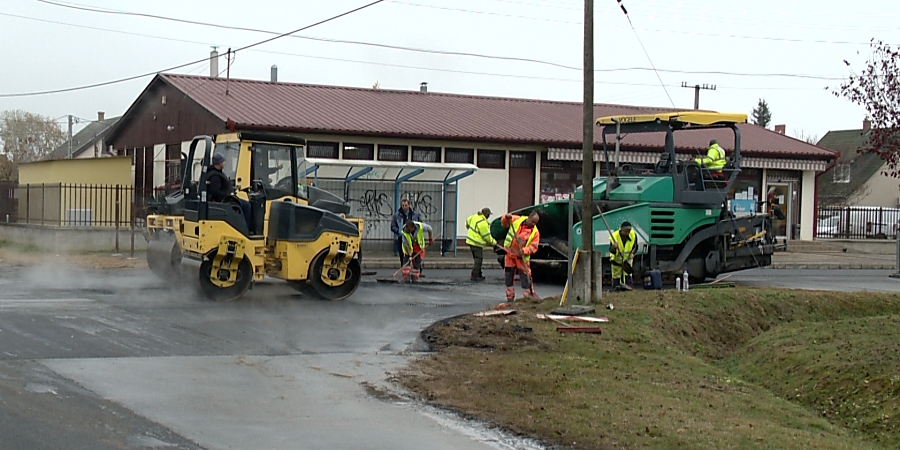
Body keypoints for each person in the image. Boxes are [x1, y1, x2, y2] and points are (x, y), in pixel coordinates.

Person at [206, 153, 253, 232]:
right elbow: (216, 192)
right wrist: (229, 194)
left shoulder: (217, 173)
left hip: (226, 198)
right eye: (223, 161)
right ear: (219, 163)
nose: (224, 163)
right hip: (225, 200)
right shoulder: (215, 176)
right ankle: (246, 230)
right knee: (247, 206)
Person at [501, 210, 540, 301]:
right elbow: (504, 223)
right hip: (510, 255)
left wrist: (524, 251)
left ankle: (527, 298)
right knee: (508, 277)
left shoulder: (535, 232)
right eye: (532, 221)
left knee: (526, 279)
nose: (533, 224)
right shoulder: (516, 220)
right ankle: (510, 298)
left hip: (522, 258)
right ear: (528, 218)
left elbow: (534, 247)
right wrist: (506, 217)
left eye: (535, 223)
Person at [465, 207, 498, 282]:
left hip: (470, 240)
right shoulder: (482, 223)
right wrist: (494, 242)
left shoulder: (474, 216)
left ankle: (478, 273)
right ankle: (475, 275)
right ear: (486, 214)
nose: (489, 216)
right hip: (476, 242)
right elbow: (486, 236)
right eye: (488, 215)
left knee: (476, 258)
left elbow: (467, 222)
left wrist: (470, 230)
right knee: (478, 259)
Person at [390, 199, 421, 264]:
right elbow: (393, 226)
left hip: (413, 237)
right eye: (403, 205)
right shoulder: (397, 215)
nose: (404, 207)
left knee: (416, 255)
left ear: (409, 205)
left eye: (406, 205)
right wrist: (399, 231)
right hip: (402, 237)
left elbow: (420, 224)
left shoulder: (415, 214)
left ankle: (417, 270)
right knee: (403, 255)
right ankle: (405, 270)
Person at [609, 221, 637, 290]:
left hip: (627, 260)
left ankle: (628, 288)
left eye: (628, 231)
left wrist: (633, 253)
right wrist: (614, 247)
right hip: (616, 260)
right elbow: (611, 250)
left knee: (627, 275)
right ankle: (616, 288)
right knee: (616, 276)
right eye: (625, 231)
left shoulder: (633, 235)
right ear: (621, 230)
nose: (627, 233)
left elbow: (635, 246)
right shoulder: (614, 236)